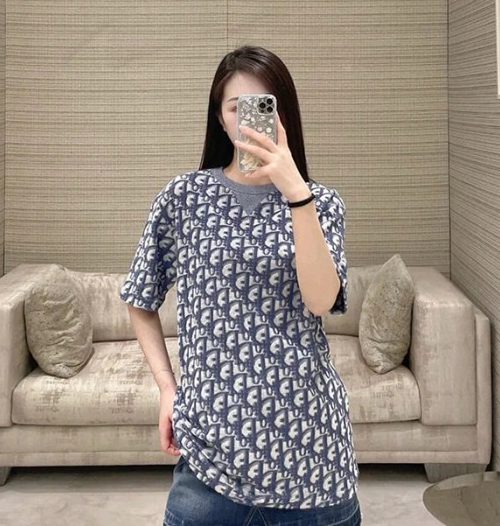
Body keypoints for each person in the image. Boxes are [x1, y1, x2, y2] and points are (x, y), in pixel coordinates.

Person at [120, 46, 361, 525]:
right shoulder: (183, 197)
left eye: (264, 106)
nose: (250, 122)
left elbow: (320, 300)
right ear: (220, 118)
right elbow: (140, 298)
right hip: (208, 459)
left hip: (311, 456)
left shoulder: (321, 203)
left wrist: (297, 195)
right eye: (236, 108)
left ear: (284, 115)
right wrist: (167, 388)